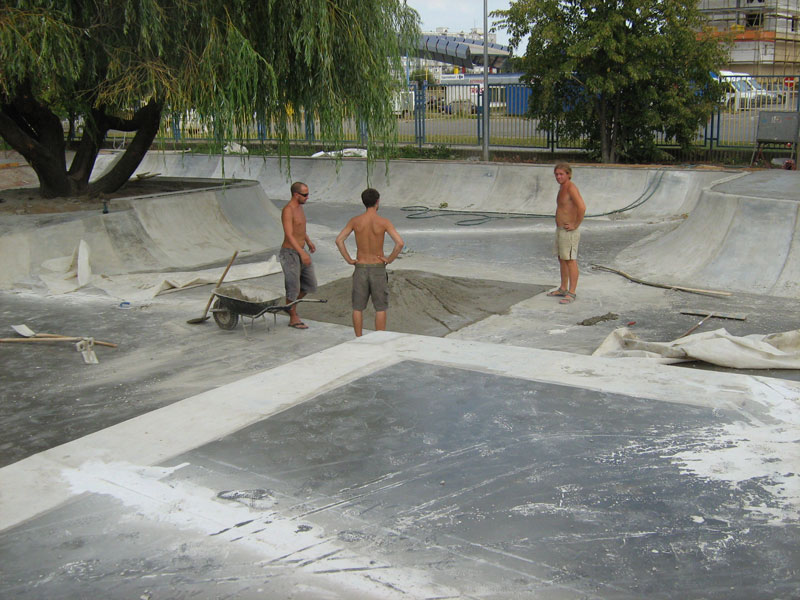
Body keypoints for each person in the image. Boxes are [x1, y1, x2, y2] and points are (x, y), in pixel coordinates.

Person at [335, 188, 404, 337]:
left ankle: (358, 339)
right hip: (378, 267)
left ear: (363, 202)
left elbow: (339, 240)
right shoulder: (383, 222)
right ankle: (378, 339)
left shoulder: (355, 221)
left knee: (358, 307)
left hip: (360, 266)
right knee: (380, 308)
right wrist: (389, 259)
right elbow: (399, 243)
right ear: (377, 201)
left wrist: (349, 259)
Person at [546, 163, 586, 304]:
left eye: (561, 174)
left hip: (569, 231)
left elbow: (582, 207)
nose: (558, 177)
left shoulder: (571, 188)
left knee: (570, 260)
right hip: (560, 230)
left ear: (568, 174)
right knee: (562, 258)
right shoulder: (562, 187)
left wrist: (575, 224)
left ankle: (572, 292)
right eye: (556, 174)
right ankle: (563, 288)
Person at [279, 181, 317, 329]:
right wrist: (301, 253)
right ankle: (293, 317)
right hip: (290, 253)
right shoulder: (288, 210)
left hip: (301, 250)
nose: (307, 197)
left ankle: (290, 307)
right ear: (296, 195)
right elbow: (289, 234)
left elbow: (300, 228)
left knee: (310, 285)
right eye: (305, 195)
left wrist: (308, 241)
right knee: (293, 287)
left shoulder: (300, 208)